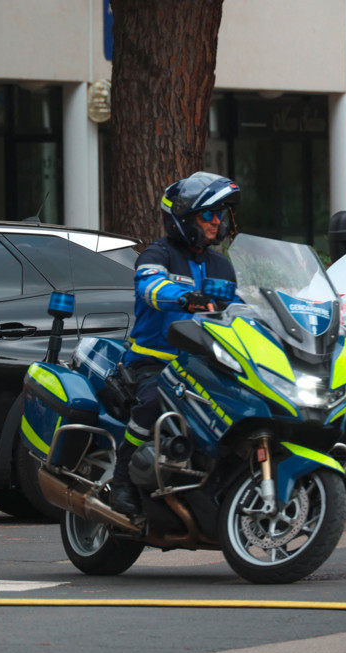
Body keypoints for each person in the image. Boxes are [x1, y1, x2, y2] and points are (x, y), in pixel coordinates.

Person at [111, 171, 241, 515]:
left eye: (220, 214)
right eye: (208, 214)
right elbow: (149, 286)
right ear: (183, 219)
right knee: (153, 401)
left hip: (204, 366)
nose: (217, 222)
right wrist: (184, 298)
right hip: (155, 363)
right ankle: (121, 480)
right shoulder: (158, 254)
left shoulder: (221, 265)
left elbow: (244, 305)